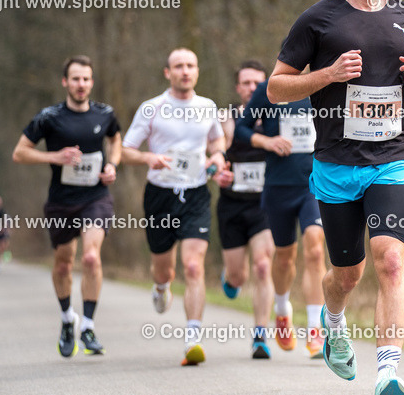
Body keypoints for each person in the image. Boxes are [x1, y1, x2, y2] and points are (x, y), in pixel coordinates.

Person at [268, 0, 404, 395]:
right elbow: (276, 88)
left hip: (395, 159)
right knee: (347, 274)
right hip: (337, 166)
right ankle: (334, 321)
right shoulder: (316, 21)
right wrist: (327, 74)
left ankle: (387, 375)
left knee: (391, 262)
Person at [121, 48, 231, 366]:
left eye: (190, 65)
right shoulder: (152, 108)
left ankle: (192, 340)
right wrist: (148, 157)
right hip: (160, 195)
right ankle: (161, 286)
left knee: (194, 266)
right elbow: (126, 151)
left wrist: (217, 157)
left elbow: (217, 141)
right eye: (178, 66)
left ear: (197, 71)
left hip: (195, 193)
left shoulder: (207, 106)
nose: (185, 71)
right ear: (167, 73)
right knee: (164, 268)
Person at [12, 55, 121, 357]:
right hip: (61, 202)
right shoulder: (49, 117)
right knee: (63, 264)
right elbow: (20, 153)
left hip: (96, 198)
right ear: (65, 82)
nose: (81, 84)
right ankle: (66, 319)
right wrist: (54, 157)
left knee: (90, 258)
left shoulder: (105, 114)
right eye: (75, 79)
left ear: (92, 82)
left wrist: (112, 165)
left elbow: (115, 140)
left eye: (86, 79)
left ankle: (88, 326)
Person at [236, 62, 327, 360]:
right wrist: (267, 141)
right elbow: (241, 128)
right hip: (278, 186)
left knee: (315, 248)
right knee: (285, 256)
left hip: (314, 183)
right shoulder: (269, 89)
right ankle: (282, 308)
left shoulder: (324, 86)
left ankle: (315, 330)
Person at [217, 60, 280, 359]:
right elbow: (216, 151)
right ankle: (230, 278)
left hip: (264, 205)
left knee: (263, 265)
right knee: (238, 277)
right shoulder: (226, 118)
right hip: (231, 204)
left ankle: (260, 336)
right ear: (237, 87)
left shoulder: (277, 117)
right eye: (246, 83)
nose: (252, 88)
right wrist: (219, 170)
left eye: (258, 83)